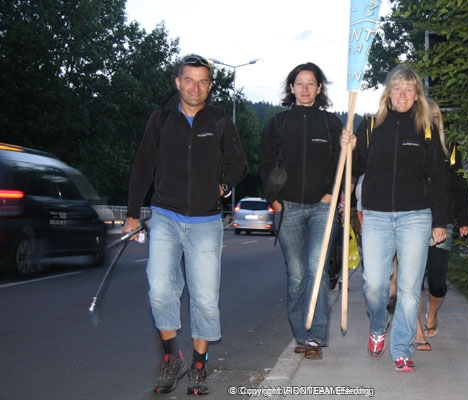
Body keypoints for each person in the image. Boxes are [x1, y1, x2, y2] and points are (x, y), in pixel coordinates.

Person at [122, 54, 248, 395]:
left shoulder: (220, 120)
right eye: (189, 80)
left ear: (210, 85)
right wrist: (132, 213)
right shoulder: (161, 118)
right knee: (160, 290)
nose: (196, 87)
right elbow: (143, 165)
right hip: (165, 215)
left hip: (206, 221)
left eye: (203, 81)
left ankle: (198, 364)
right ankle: (171, 358)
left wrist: (222, 187)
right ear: (177, 82)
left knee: (205, 297)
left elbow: (239, 163)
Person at [350, 65, 448, 372]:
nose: (402, 94)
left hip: (415, 217)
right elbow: (354, 167)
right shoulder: (370, 127)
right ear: (388, 93)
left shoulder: (425, 130)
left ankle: (402, 349)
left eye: (409, 89)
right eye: (397, 88)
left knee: (409, 287)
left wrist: (440, 220)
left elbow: (439, 177)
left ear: (417, 95)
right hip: (376, 216)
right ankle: (378, 326)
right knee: (374, 284)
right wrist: (348, 148)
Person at [260, 62, 346, 360]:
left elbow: (342, 162)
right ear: (292, 87)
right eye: (300, 83)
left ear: (319, 88)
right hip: (289, 209)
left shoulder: (331, 124)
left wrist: (332, 193)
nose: (305, 89)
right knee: (297, 275)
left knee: (316, 269)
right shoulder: (278, 123)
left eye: (311, 83)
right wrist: (274, 200)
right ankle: (301, 333)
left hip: (322, 207)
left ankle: (316, 337)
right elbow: (266, 163)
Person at [412, 100, 468, 351]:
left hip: (442, 221)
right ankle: (417, 331)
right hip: (413, 220)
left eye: (436, 116)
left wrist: (465, 218)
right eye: (427, 116)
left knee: (437, 281)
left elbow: (459, 185)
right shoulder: (411, 148)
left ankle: (432, 313)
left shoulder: (451, 150)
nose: (432, 120)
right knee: (413, 280)